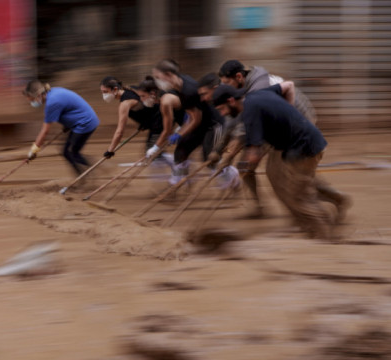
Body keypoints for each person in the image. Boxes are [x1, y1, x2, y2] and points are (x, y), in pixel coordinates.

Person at [211, 83, 350, 239]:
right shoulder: (257, 95)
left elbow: (254, 153)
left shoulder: (250, 112)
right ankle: (311, 227)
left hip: (305, 148)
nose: (222, 114)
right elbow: (288, 86)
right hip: (298, 146)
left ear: (231, 101)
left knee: (298, 197)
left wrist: (239, 172)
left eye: (221, 109)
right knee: (283, 187)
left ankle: (325, 234)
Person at [213, 59, 319, 217]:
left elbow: (243, 130)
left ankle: (310, 211)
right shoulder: (237, 92)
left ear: (239, 77)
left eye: (227, 82)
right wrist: (219, 150)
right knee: (245, 167)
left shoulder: (257, 89)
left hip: (297, 125)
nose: (225, 87)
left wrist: (228, 155)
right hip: (272, 125)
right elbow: (232, 121)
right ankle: (259, 209)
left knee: (282, 174)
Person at [149, 59, 224, 185]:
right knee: (180, 152)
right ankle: (178, 182)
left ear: (168, 74)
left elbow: (196, 118)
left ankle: (231, 178)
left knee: (209, 158)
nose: (157, 81)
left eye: (158, 77)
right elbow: (191, 115)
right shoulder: (178, 86)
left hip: (213, 125)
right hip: (199, 125)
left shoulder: (188, 89)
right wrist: (181, 130)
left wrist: (179, 134)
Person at [23, 80, 100, 175]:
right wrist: (67, 124)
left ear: (38, 95)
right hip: (78, 122)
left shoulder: (51, 103)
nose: (32, 102)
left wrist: (34, 151)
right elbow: (68, 108)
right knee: (65, 152)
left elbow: (45, 131)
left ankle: (94, 169)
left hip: (85, 123)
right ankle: (83, 175)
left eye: (32, 100)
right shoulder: (53, 92)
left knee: (72, 153)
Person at [99, 76, 166, 160]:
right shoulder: (130, 89)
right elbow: (144, 107)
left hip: (161, 120)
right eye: (102, 92)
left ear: (115, 89)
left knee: (153, 155)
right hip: (157, 120)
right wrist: (144, 122)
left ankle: (171, 167)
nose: (104, 95)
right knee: (152, 154)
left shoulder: (124, 104)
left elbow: (119, 132)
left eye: (105, 92)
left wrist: (110, 150)